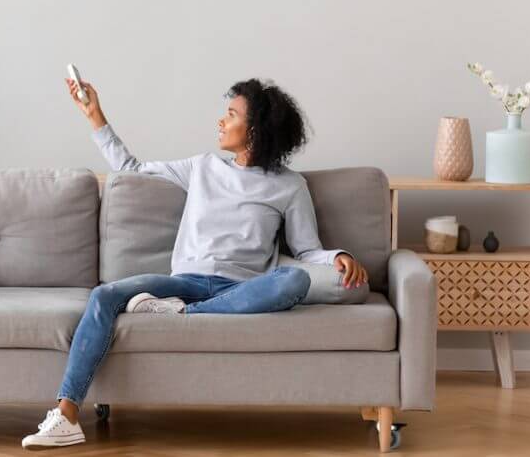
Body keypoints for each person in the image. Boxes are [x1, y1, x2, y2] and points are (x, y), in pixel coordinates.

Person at [21, 77, 369, 449]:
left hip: (240, 289)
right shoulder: (203, 167)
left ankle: (183, 314)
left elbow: (306, 250)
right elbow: (131, 168)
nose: (221, 121)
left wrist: (339, 256)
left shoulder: (289, 186)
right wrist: (95, 115)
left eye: (231, 115)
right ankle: (67, 415)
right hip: (183, 283)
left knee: (294, 281)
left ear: (255, 130)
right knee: (105, 295)